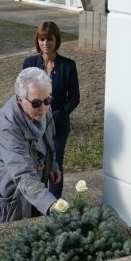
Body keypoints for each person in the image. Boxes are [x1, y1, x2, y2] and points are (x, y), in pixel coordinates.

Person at [0, 67, 61, 226]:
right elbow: (23, 175)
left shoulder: (43, 111)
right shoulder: (7, 125)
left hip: (34, 186)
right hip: (10, 192)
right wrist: (51, 206)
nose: (43, 108)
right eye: (36, 103)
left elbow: (49, 141)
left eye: (47, 101)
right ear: (21, 100)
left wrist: (52, 164)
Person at [23, 21, 80, 199]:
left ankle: (53, 206)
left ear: (57, 41)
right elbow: (22, 93)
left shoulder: (68, 66)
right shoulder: (30, 63)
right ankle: (36, 203)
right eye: (42, 39)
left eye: (49, 39)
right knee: (34, 165)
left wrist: (55, 116)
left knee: (55, 165)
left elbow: (74, 98)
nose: (45, 43)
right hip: (33, 126)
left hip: (58, 127)